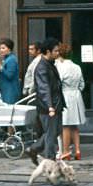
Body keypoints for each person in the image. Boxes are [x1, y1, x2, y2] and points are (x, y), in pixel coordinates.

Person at [26, 38, 65, 166]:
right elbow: (44, 88)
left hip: (55, 104)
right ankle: (50, 163)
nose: (58, 53)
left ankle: (34, 149)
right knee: (50, 135)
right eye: (56, 51)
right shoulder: (42, 67)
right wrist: (50, 107)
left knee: (55, 131)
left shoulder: (49, 64)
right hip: (48, 106)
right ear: (48, 51)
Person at [56, 43, 86, 161]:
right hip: (76, 96)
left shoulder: (61, 67)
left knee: (65, 125)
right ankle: (77, 150)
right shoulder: (77, 66)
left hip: (65, 95)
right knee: (74, 125)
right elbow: (82, 84)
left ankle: (66, 151)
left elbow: (58, 83)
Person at [0, 37, 20, 104]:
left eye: (3, 48)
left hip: (10, 92)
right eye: (0, 48)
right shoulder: (6, 59)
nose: (1, 50)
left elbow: (9, 75)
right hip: (5, 91)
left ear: (9, 48)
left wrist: (0, 66)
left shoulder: (11, 59)